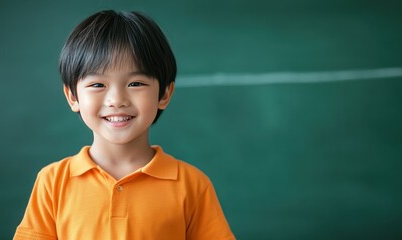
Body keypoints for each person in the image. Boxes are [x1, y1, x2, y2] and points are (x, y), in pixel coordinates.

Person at [13, 10, 235, 240]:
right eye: (98, 84)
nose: (117, 100)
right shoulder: (53, 182)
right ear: (72, 97)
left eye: (135, 83)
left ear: (164, 94)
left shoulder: (192, 185)